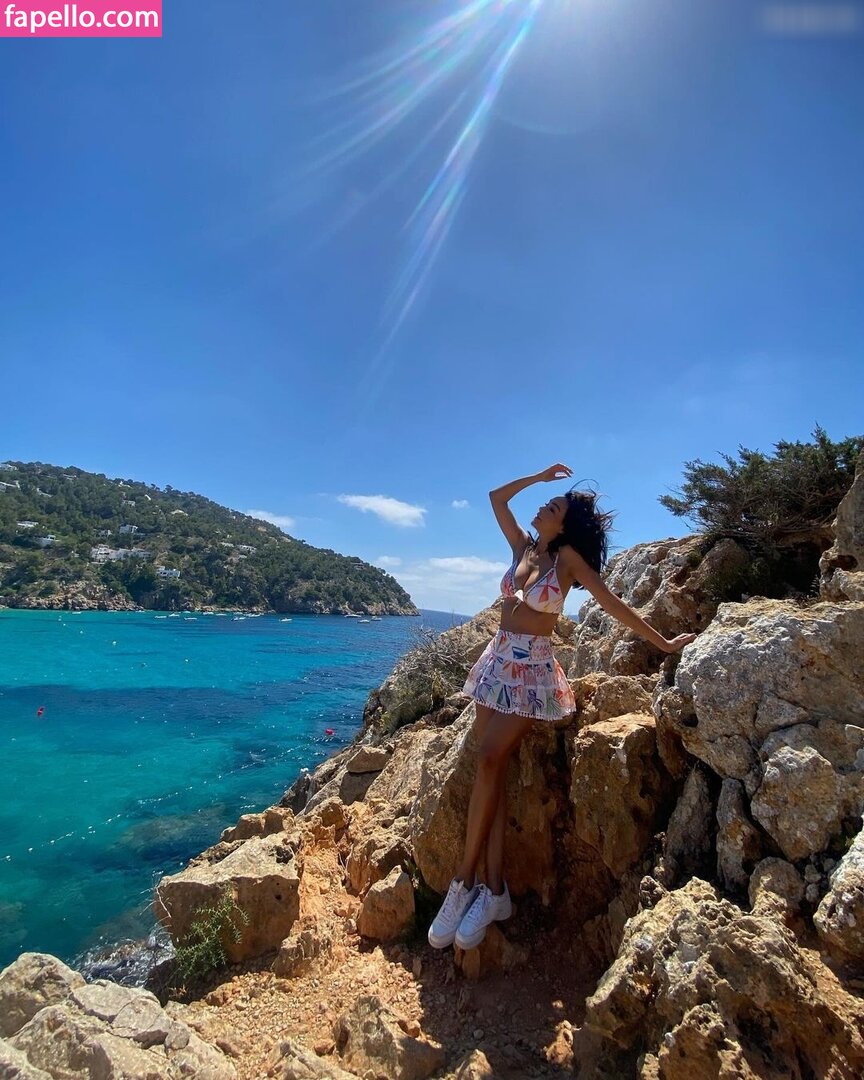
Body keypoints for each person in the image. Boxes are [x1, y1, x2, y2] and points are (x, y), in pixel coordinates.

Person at [428, 463, 697, 952]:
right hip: (496, 663)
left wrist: (661, 642)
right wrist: (538, 478)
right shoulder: (523, 548)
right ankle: (494, 892)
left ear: (565, 525)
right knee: (493, 770)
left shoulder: (567, 560)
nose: (542, 508)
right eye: (547, 503)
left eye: (552, 508)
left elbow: (612, 603)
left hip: (531, 671)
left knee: (488, 758)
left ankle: (462, 882)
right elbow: (495, 497)